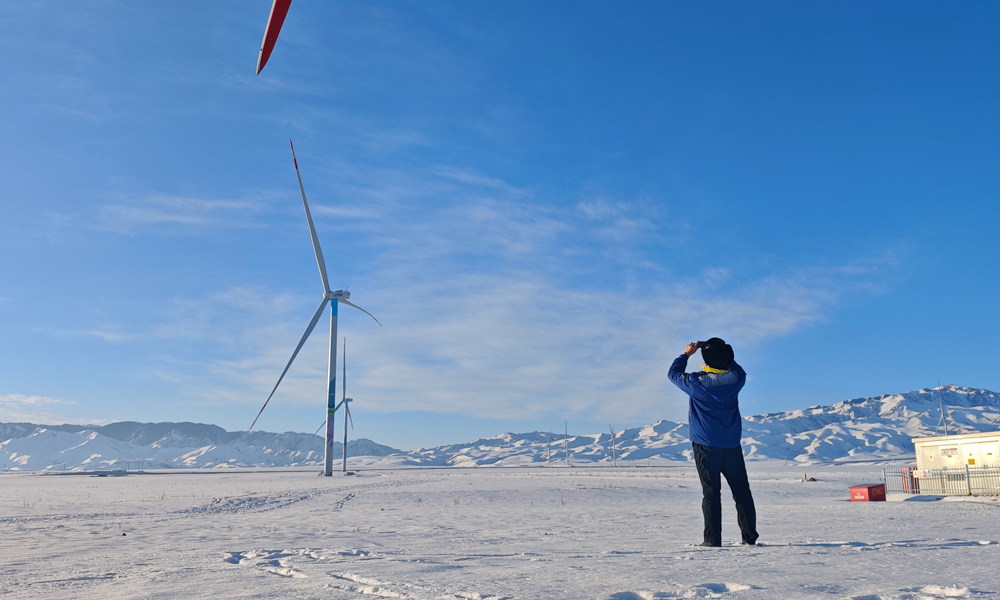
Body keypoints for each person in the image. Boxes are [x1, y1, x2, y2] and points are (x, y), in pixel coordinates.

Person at [668, 337, 758, 547]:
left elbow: (673, 374)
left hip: (705, 445)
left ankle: (712, 540)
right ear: (727, 357)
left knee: (711, 493)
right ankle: (749, 538)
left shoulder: (696, 383)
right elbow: (739, 370)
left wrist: (686, 354)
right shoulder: (736, 381)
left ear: (706, 360)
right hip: (731, 445)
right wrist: (721, 353)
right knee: (742, 492)